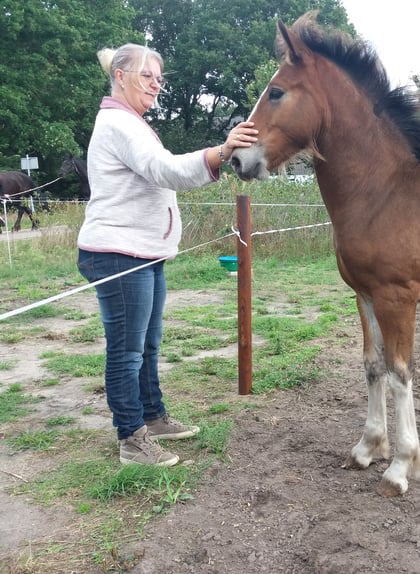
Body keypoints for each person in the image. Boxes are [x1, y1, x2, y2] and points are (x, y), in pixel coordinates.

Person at [77, 43, 259, 466]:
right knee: (126, 351)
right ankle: (131, 439)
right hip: (119, 253)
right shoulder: (119, 124)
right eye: (147, 76)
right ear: (120, 76)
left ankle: (152, 416)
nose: (156, 85)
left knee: (147, 345)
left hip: (142, 252)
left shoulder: (131, 122)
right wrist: (222, 151)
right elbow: (165, 170)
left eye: (160, 78)